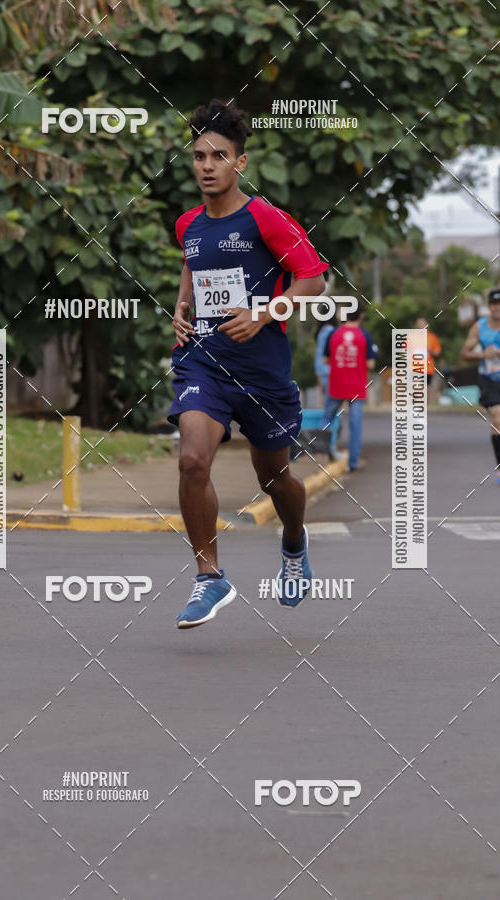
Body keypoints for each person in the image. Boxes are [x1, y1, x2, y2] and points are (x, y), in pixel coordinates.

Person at [168, 99, 328, 628]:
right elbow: (194, 268)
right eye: (198, 156)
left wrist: (264, 312)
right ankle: (209, 578)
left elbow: (313, 280)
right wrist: (181, 307)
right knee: (192, 459)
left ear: (240, 163)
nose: (207, 165)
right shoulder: (188, 224)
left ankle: (293, 542)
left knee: (275, 479)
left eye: (219, 155)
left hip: (261, 371)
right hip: (204, 363)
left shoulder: (266, 217)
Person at [322, 301, 376, 472]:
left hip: (336, 384)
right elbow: (371, 364)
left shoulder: (334, 334)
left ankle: (323, 455)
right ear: (361, 316)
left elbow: (325, 359)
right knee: (355, 425)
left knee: (327, 419)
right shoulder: (365, 336)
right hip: (356, 386)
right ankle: (352, 463)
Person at [460, 288, 500, 484]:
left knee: (497, 424)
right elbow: (464, 354)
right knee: (497, 418)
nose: (497, 308)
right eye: (493, 304)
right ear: (489, 306)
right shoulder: (480, 327)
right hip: (489, 379)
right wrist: (482, 355)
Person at [314, 307, 337, 402]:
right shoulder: (331, 331)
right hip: (330, 368)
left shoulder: (322, 330)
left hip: (321, 368)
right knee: (332, 401)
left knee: (326, 401)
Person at [415, 316, 441, 386]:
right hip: (414, 368)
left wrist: (430, 350)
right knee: (416, 389)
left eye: (422, 323)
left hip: (427, 369)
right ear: (416, 325)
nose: (421, 325)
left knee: (425, 390)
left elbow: (437, 352)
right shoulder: (411, 337)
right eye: (419, 323)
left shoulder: (432, 337)